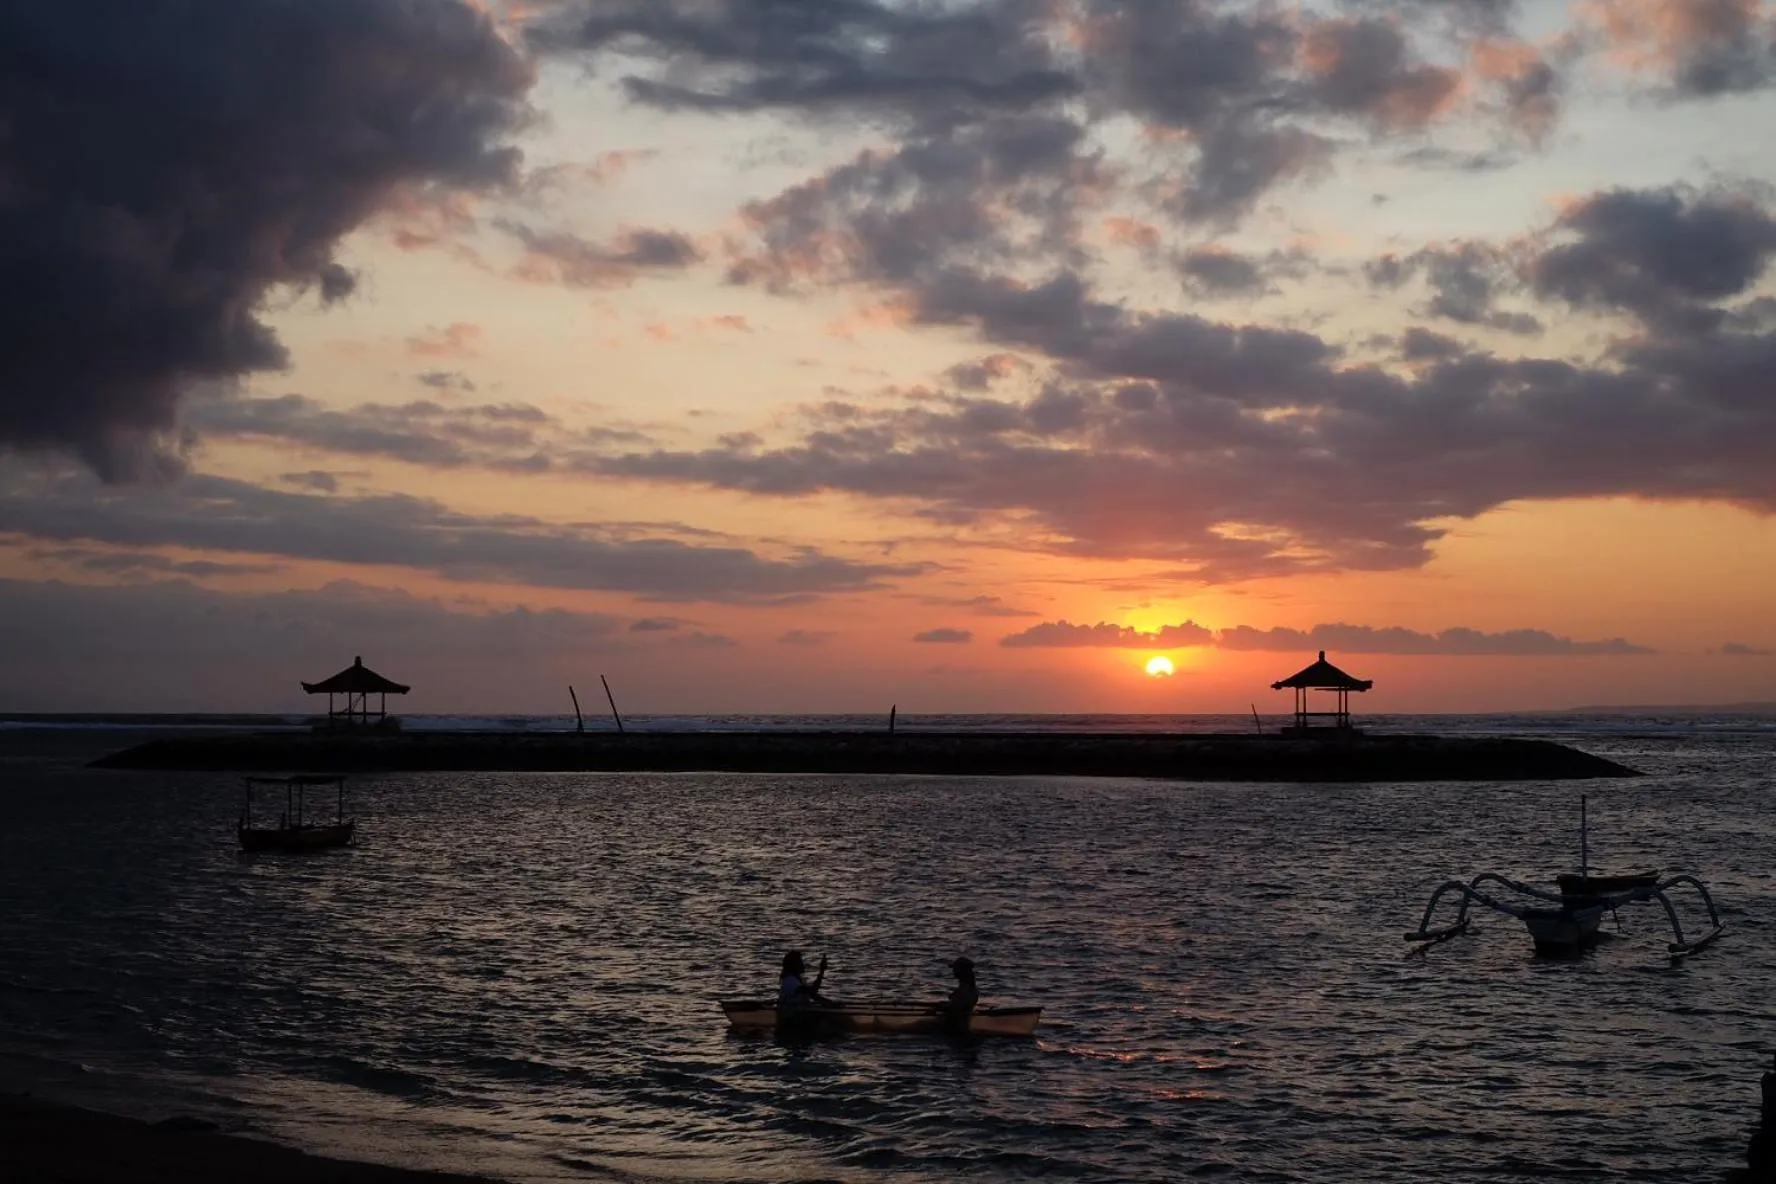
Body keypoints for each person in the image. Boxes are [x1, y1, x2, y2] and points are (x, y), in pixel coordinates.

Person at [944, 956, 979, 1032]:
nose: (953, 971)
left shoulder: (965, 989)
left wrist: (944, 1007)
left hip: (955, 1028)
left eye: (955, 969)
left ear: (961, 971)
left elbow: (954, 1008)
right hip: (959, 1026)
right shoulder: (969, 987)